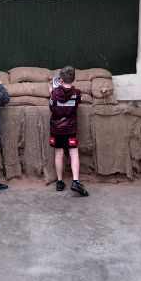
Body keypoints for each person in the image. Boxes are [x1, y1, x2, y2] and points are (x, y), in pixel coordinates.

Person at [49, 66, 89, 196]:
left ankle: (60, 182)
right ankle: (76, 181)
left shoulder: (54, 93)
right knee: (74, 154)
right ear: (73, 79)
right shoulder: (77, 93)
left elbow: (52, 108)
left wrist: (51, 92)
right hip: (71, 128)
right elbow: (79, 101)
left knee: (58, 154)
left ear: (60, 79)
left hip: (57, 128)